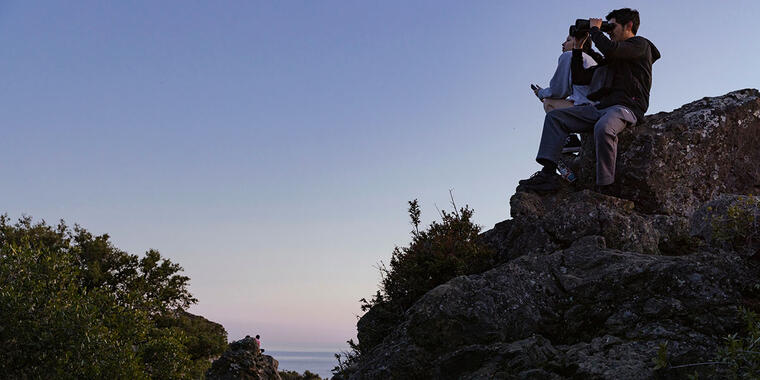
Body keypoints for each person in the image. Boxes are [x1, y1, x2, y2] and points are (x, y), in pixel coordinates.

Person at [519, 8, 660, 193]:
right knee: (555, 118)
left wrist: (595, 30)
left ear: (629, 25)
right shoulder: (612, 59)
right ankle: (548, 175)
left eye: (613, 26)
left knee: (604, 128)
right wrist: (578, 48)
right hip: (602, 108)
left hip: (626, 107)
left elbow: (612, 50)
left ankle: (605, 186)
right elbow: (581, 78)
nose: (609, 31)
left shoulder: (640, 46)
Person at [531, 32, 603, 153]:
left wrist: (541, 93)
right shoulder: (590, 59)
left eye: (568, 40)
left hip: (589, 111)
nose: (563, 43)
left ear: (579, 42)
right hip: (600, 109)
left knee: (549, 103)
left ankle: (570, 140)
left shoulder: (569, 55)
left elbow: (558, 90)